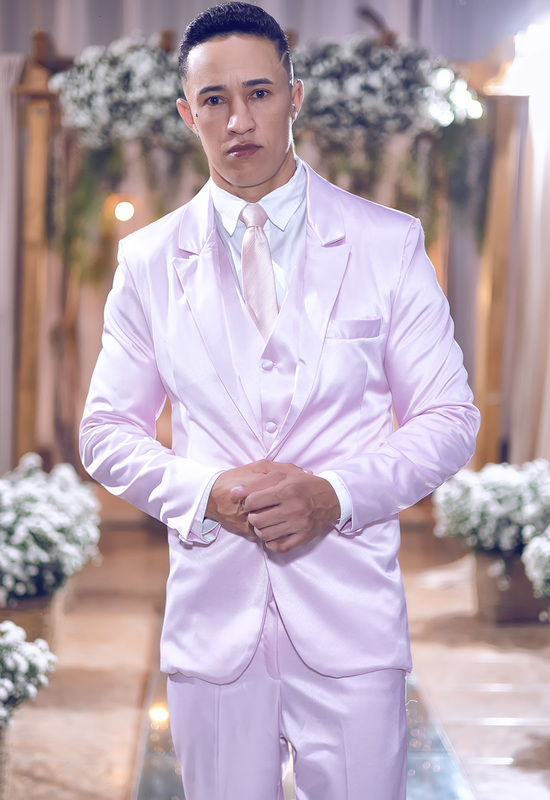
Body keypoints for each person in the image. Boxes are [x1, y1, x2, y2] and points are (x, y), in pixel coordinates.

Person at [78, 3, 479, 797]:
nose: (239, 120)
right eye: (215, 100)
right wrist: (206, 492)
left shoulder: (387, 242)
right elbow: (106, 431)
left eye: (258, 93)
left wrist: (334, 495)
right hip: (213, 624)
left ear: (294, 97)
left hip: (351, 620)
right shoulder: (149, 261)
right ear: (187, 115)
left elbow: (448, 417)